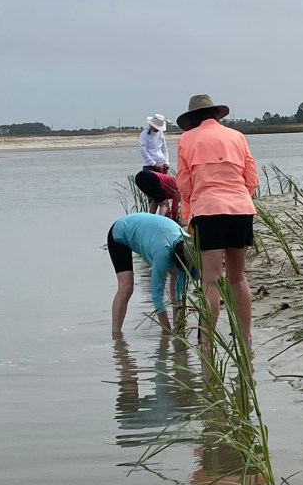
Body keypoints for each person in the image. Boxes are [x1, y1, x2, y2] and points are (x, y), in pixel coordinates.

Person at [176, 93, 259, 350]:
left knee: (211, 279)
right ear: (216, 115)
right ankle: (245, 339)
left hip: (208, 210)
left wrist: (188, 213)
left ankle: (206, 343)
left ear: (192, 119)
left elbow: (184, 183)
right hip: (241, 209)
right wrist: (238, 198)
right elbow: (251, 179)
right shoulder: (237, 137)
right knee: (238, 277)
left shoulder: (186, 139)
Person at [107, 211, 196, 335]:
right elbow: (157, 296)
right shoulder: (162, 253)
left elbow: (180, 289)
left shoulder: (188, 244)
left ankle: (177, 321)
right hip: (120, 233)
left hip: (149, 231)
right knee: (126, 287)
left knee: (177, 274)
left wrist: (180, 323)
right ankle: (116, 336)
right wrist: (167, 332)